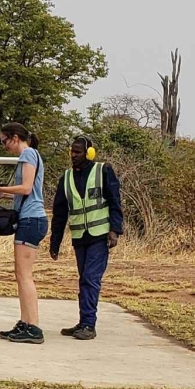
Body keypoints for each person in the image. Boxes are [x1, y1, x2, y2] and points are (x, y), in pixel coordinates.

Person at [50, 136, 124, 340]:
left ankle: (89, 325)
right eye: (72, 152)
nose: (73, 155)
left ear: (89, 153)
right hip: (79, 237)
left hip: (100, 235)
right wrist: (55, 242)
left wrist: (115, 230)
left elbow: (115, 201)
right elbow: (59, 213)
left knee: (90, 279)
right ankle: (84, 322)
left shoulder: (103, 171)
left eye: (78, 152)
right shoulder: (66, 178)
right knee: (84, 279)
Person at [0, 122, 47, 344]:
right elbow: (26, 193)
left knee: (24, 275)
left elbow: (26, 188)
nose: (4, 146)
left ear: (14, 138)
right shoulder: (29, 155)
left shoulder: (28, 154)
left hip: (31, 220)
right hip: (30, 218)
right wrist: (1, 195)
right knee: (20, 274)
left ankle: (34, 327)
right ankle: (25, 322)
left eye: (5, 141)